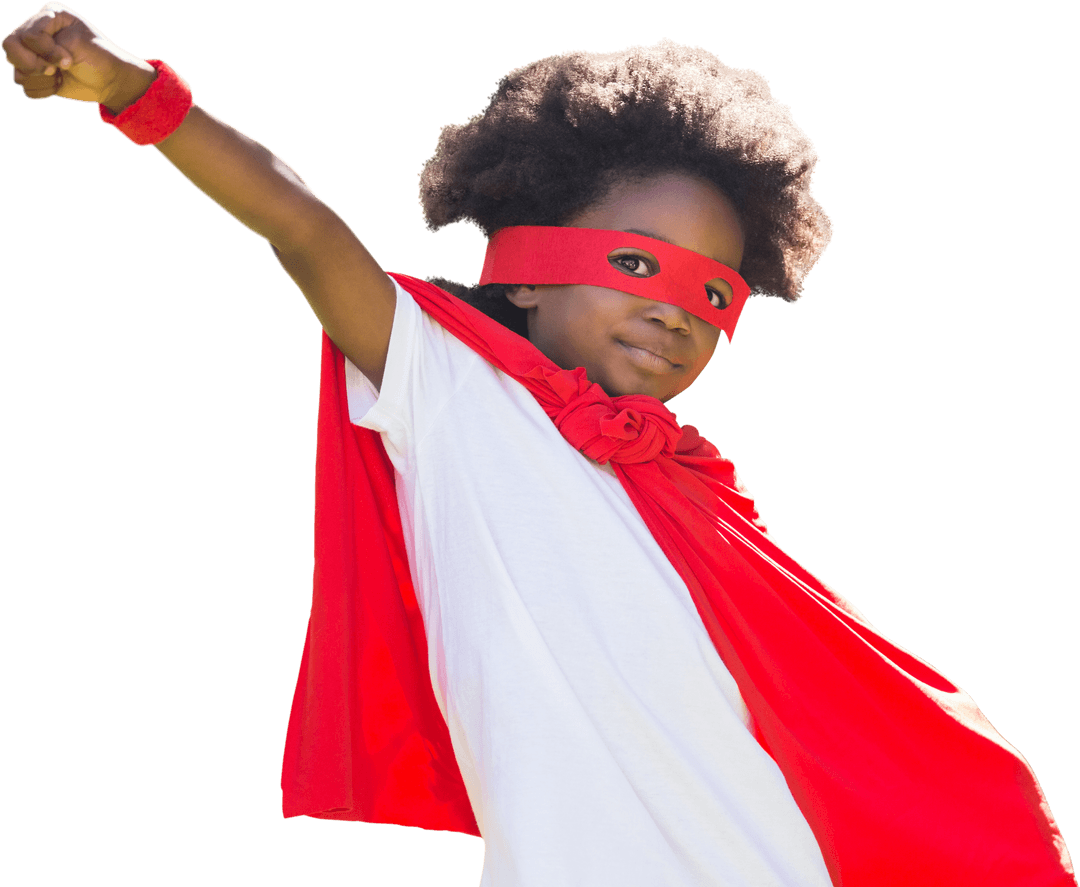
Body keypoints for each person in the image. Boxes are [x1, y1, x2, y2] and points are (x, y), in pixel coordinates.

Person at [4, 4, 1075, 886]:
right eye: (640, 267)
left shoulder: (697, 488)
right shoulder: (452, 389)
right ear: (525, 270)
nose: (680, 311)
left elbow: (828, 684)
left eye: (714, 294)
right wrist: (137, 92)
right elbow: (304, 229)